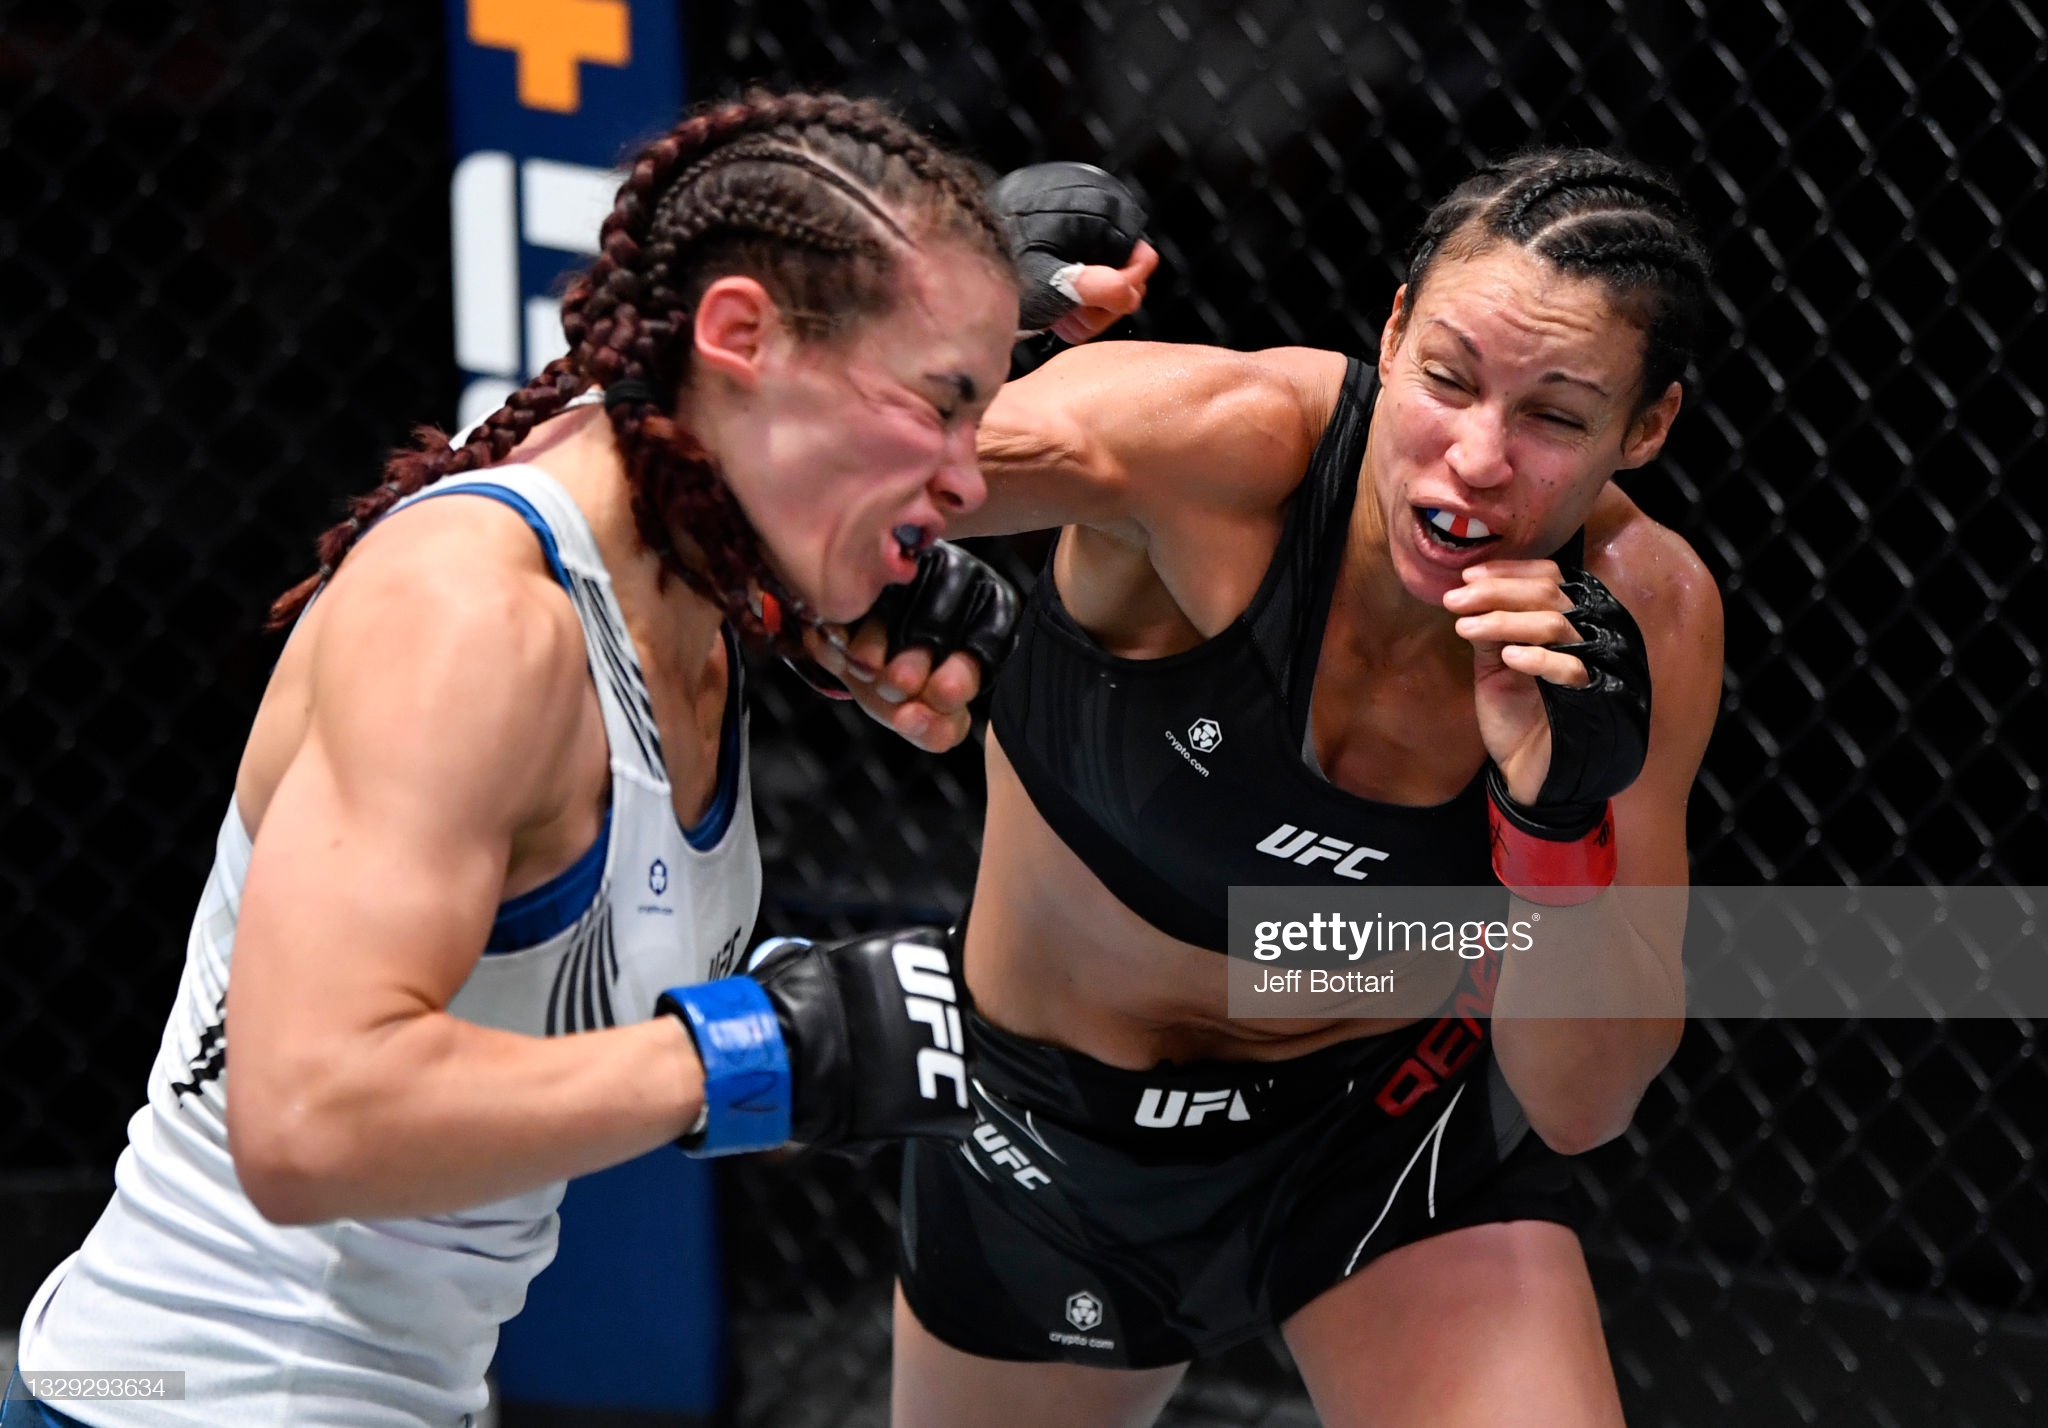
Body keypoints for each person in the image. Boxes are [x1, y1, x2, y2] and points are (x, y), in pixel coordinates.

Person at [6, 90, 1037, 1428]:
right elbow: (307, 1119)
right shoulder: (472, 622)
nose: (969, 480)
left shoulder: (689, 581)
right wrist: (759, 1051)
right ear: (740, 337)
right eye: (943, 405)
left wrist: (835, 1036)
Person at [815, 148, 1723, 1426]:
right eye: (1447, 378)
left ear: (1645, 428)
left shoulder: (1638, 615)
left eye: (1555, 417)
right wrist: (917, 346)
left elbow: (1582, 1103)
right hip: (1045, 1131)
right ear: (1391, 332)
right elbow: (763, 477)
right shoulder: (1212, 443)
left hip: (1374, 1128)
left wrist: (1552, 826)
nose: (1475, 457)